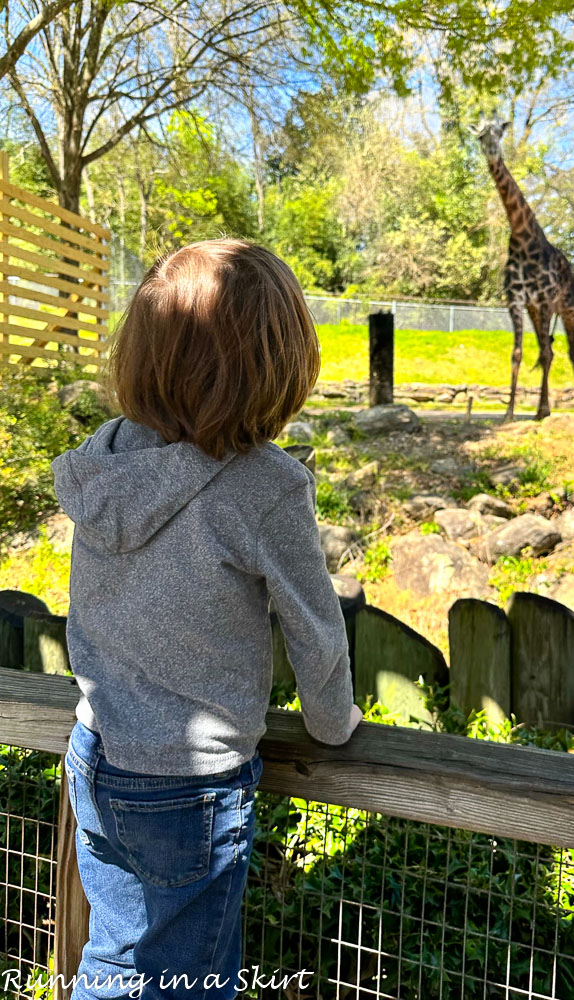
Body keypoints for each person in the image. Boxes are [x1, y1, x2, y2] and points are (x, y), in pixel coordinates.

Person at [51, 238, 364, 999]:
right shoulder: (264, 485)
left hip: (95, 754)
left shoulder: (106, 455)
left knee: (115, 959)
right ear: (276, 364)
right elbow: (315, 630)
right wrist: (332, 724)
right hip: (190, 788)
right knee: (186, 982)